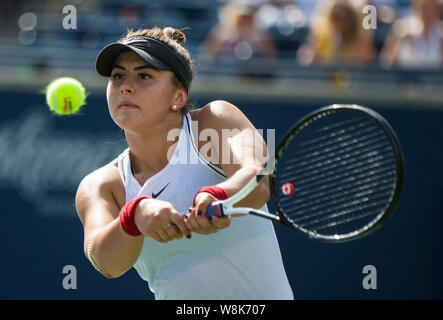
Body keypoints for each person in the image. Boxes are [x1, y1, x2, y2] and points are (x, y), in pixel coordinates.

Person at [75, 26, 294, 300]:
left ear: (178, 97)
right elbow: (107, 263)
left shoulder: (213, 122)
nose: (126, 86)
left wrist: (219, 195)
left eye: (144, 75)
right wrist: (134, 216)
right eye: (118, 76)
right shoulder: (101, 185)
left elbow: (259, 178)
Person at [297, 0, 375, 66]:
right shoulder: (320, 36)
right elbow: (306, 58)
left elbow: (359, 65)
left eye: (345, 18)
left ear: (352, 19)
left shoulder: (360, 40)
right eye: (336, 17)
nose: (339, 22)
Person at [380, 0, 443, 68]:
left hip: (434, 78)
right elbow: (386, 61)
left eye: (431, 10)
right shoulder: (402, 28)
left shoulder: (440, 32)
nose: (427, 14)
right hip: (406, 77)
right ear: (417, 9)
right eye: (424, 9)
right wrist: (399, 40)